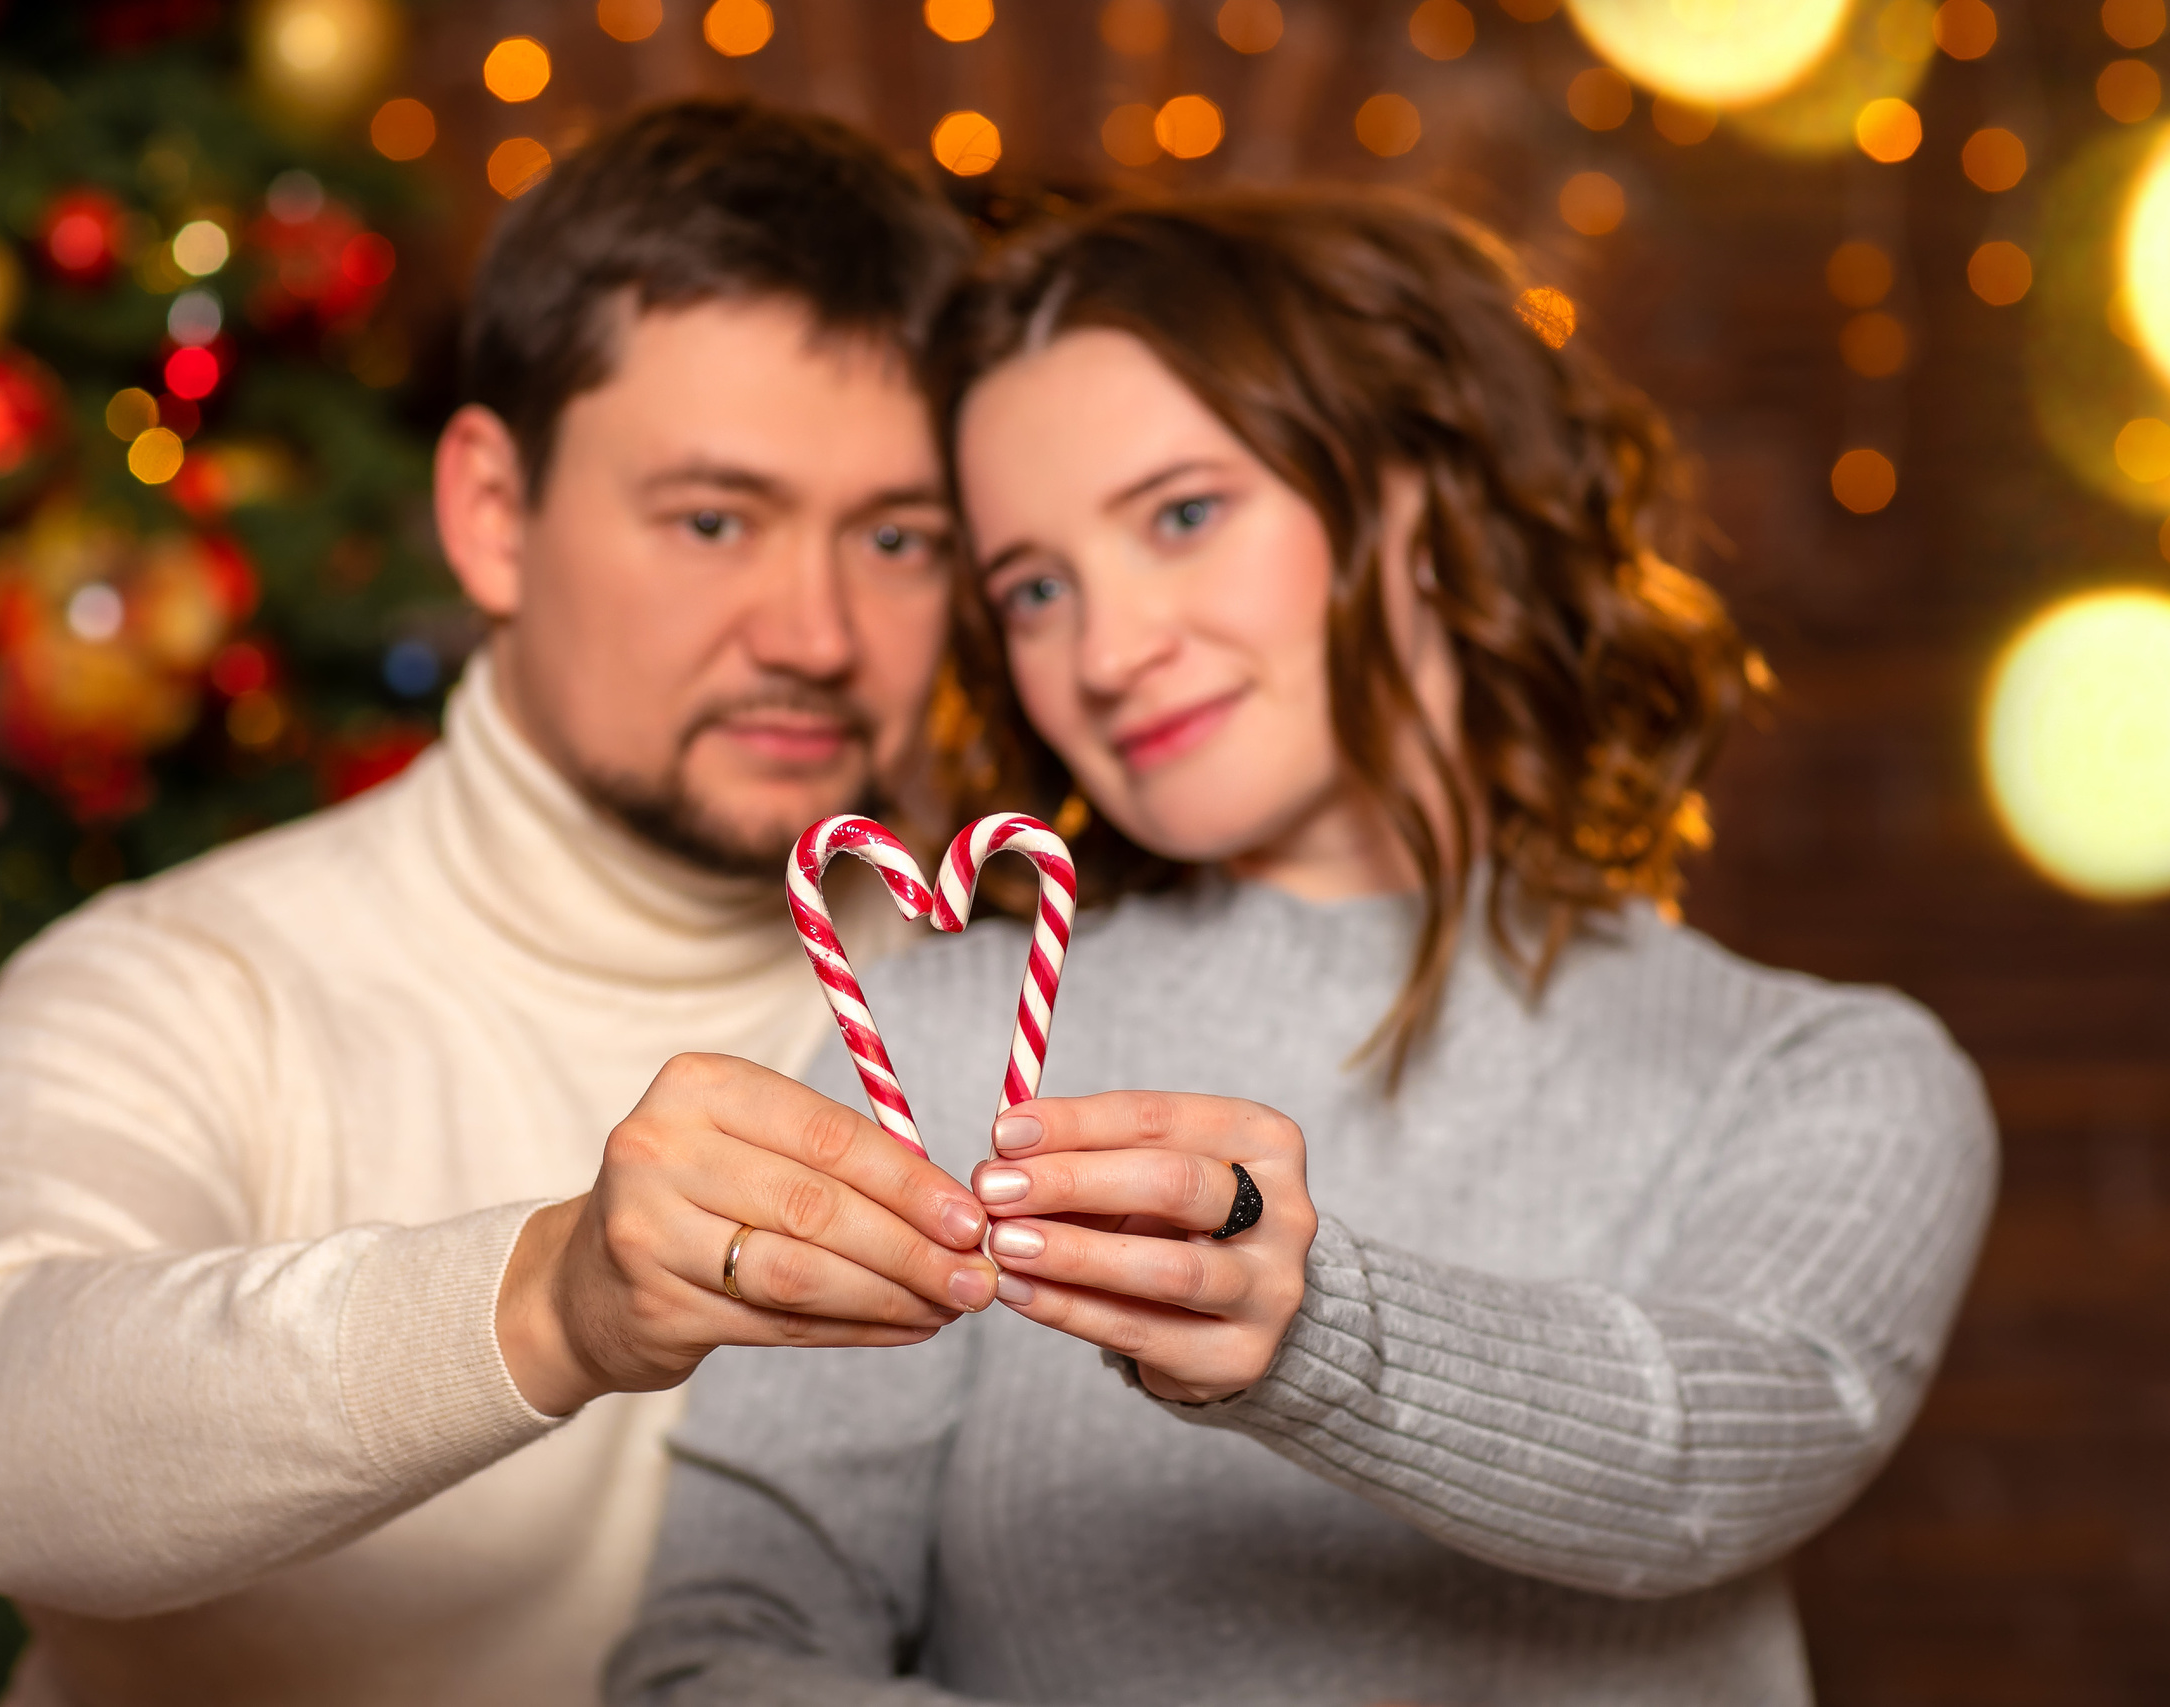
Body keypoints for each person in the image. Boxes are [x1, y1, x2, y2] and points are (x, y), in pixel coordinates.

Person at [608, 190, 1996, 1705]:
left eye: (1185, 515)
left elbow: (1711, 1459)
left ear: (1419, 495)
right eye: (1034, 589)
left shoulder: (1827, 1077)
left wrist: (1310, 1329)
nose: (1110, 650)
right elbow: (723, 1650)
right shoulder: (954, 1036)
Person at [0, 101, 1004, 1707]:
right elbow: (0, 1454)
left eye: (898, 538)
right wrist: (557, 1298)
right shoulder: (181, 986)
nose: (817, 632)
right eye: (713, 520)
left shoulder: (1012, 1014)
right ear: (492, 515)